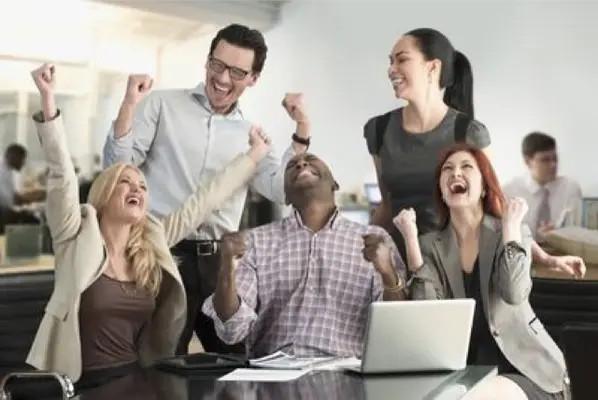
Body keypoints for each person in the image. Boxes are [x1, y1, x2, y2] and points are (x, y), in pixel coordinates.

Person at [25, 63, 271, 385]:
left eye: (142, 186)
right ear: (104, 193)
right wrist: (48, 100)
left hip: (138, 380)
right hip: (80, 384)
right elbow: (61, 174)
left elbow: (203, 202)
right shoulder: (74, 233)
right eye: (125, 182)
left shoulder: (150, 242)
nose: (137, 190)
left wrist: (253, 156)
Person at [102, 23, 311, 356]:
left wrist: (301, 129)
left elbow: (281, 191)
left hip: (220, 262)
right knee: (160, 362)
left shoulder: (251, 136)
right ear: (207, 60)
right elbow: (117, 167)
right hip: (162, 254)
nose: (223, 78)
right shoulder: (162, 105)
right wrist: (128, 105)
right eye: (218, 65)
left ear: (253, 79)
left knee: (236, 360)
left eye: (237, 72)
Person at [364, 27, 584, 279]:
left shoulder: (468, 132)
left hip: (452, 268)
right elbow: (387, 205)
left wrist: (544, 257)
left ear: (432, 67)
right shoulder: (379, 130)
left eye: (401, 60)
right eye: (390, 62)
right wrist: (354, 246)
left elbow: (495, 205)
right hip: (394, 267)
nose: (391, 69)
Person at [395, 143, 569, 400]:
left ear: (485, 187)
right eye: (447, 169)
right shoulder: (429, 245)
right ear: (441, 190)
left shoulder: (511, 230)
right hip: (467, 375)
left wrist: (510, 227)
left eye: (466, 167)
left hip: (529, 371)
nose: (455, 173)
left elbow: (514, 293)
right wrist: (411, 239)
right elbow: (427, 313)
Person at [202, 153, 407, 358]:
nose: (301, 164)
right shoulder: (255, 242)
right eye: (292, 165)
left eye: (311, 159)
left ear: (334, 184)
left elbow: (394, 328)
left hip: (345, 369)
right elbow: (232, 330)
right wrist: (226, 268)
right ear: (285, 195)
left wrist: (388, 273)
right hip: (272, 371)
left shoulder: (375, 240)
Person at [503, 132, 582, 239]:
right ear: (528, 162)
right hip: (522, 247)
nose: (553, 165)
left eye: (555, 159)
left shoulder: (570, 188)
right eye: (545, 160)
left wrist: (560, 233)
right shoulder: (510, 191)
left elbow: (577, 230)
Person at [0, 143, 46, 209]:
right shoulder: (2, 172)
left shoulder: (7, 169)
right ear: (14, 157)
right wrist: (38, 197)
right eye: (22, 159)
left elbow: (14, 195)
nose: (23, 163)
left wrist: (36, 194)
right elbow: (14, 201)